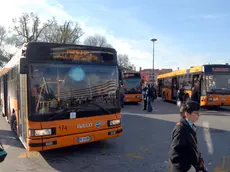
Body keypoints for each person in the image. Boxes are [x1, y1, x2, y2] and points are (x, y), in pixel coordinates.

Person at [168, 100, 208, 172]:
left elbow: (191, 146)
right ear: (186, 114)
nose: (198, 115)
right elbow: (174, 155)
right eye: (196, 113)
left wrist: (199, 159)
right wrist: (188, 168)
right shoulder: (180, 129)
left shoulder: (189, 126)